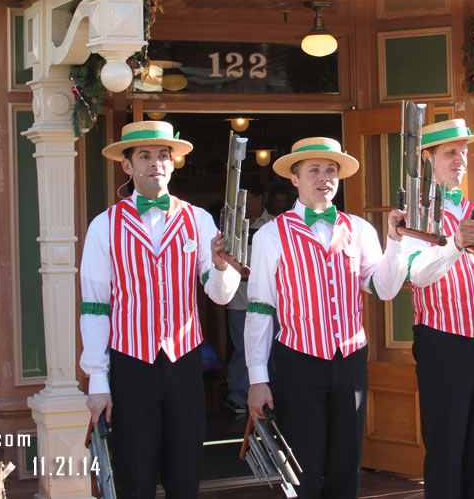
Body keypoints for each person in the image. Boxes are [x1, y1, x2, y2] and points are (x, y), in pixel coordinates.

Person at [79, 120, 241, 499]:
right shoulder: (105, 225)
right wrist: (98, 380)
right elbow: (95, 306)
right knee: (134, 470)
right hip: (130, 362)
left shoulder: (198, 219)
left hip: (184, 361)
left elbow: (218, 296)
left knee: (185, 469)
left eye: (163, 156)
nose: (156, 163)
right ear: (127, 165)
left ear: (173, 163)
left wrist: (220, 267)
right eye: (145, 156)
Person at [245, 137, 408, 499]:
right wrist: (257, 378)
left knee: (346, 463)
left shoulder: (360, 229)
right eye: (314, 170)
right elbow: (259, 309)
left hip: (349, 360)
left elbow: (383, 288)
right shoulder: (271, 235)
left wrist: (396, 243)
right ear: (295, 178)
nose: (324, 177)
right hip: (298, 361)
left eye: (331, 170)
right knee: (302, 465)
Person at [387, 118, 474, 499]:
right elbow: (417, 275)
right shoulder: (414, 215)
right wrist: (455, 244)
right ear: (427, 161)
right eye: (450, 153)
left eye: (464, 152)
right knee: (446, 447)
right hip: (444, 342)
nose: (460, 159)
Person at [222, 181, 270, 415]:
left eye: (249, 197)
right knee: (243, 348)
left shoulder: (274, 225)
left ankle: (271, 394)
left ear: (260, 198)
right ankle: (238, 394)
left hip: (270, 301)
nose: (245, 203)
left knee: (271, 347)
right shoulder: (232, 226)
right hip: (239, 298)